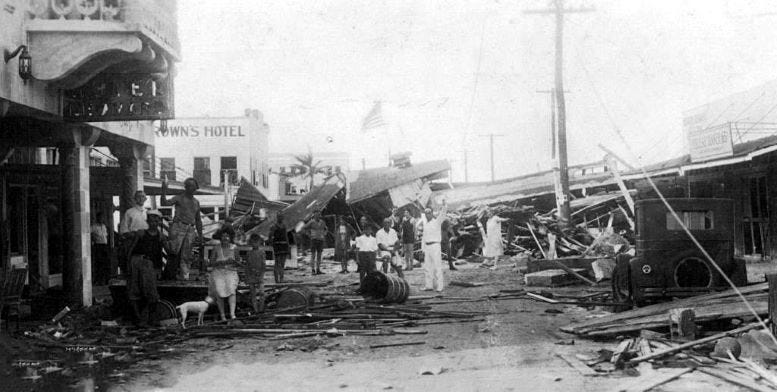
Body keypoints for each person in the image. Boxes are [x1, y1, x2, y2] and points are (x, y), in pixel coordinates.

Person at [124, 210, 168, 328]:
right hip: (136, 261)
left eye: (156, 220)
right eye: (151, 220)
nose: (154, 223)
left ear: (159, 222)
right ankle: (138, 320)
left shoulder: (161, 236)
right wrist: (128, 265)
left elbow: (161, 254)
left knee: (151, 293)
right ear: (147, 221)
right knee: (134, 291)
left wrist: (159, 269)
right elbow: (131, 249)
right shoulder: (141, 233)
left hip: (149, 264)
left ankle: (152, 319)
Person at [160, 177, 203, 281]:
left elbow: (198, 220)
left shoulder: (196, 202)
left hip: (190, 229)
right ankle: (169, 276)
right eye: (189, 185)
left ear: (196, 188)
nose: (191, 188)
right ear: (186, 187)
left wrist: (200, 235)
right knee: (173, 251)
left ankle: (185, 277)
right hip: (178, 226)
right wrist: (164, 190)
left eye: (193, 186)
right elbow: (164, 203)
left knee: (186, 255)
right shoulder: (179, 198)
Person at [208, 226, 239, 322]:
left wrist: (233, 261)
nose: (225, 238)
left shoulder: (234, 247)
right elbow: (211, 263)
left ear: (231, 237)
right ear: (220, 237)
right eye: (223, 236)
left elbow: (238, 262)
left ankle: (232, 314)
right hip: (218, 272)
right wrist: (221, 263)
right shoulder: (216, 248)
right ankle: (222, 316)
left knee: (231, 290)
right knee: (219, 291)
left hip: (230, 272)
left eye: (227, 236)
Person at [418, 200, 448, 292]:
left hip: (435, 246)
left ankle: (440, 286)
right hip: (427, 247)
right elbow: (424, 236)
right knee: (427, 267)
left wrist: (444, 205)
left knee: (437, 266)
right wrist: (423, 248)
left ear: (432, 213)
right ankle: (429, 285)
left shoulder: (437, 221)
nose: (427, 214)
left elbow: (443, 214)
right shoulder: (425, 223)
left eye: (429, 213)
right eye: (426, 213)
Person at [118, 190, 148, 276]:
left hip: (146, 242)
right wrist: (135, 234)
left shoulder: (148, 213)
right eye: (138, 196)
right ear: (135, 199)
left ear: (145, 199)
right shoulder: (129, 212)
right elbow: (123, 231)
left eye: (142, 196)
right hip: (133, 242)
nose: (141, 198)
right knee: (133, 268)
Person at [246, 233, 266, 313]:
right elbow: (247, 265)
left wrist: (261, 274)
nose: (255, 244)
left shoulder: (262, 252)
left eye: (256, 242)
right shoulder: (249, 253)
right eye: (253, 242)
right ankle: (256, 310)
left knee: (262, 293)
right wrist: (247, 276)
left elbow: (264, 265)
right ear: (250, 243)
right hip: (251, 275)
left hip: (260, 275)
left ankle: (261, 309)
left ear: (259, 242)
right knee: (253, 294)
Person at [303, 211, 327, 275]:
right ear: (314, 215)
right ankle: (313, 270)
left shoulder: (322, 222)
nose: (318, 216)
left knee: (319, 255)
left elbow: (326, 229)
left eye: (319, 215)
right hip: (314, 240)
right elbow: (305, 228)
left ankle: (318, 269)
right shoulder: (311, 222)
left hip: (320, 240)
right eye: (317, 215)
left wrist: (324, 234)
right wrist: (309, 235)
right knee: (313, 255)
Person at [355, 225, 378, 292]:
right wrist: (357, 259)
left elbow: (375, 250)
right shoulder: (360, 238)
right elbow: (357, 249)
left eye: (369, 230)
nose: (368, 231)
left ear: (371, 231)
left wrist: (375, 259)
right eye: (366, 230)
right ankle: (362, 287)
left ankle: (370, 287)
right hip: (363, 255)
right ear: (364, 231)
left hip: (371, 255)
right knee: (362, 272)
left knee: (370, 272)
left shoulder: (373, 239)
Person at [90, 212, 110, 285]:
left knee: (106, 263)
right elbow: (88, 233)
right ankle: (98, 280)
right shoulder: (94, 226)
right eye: (100, 217)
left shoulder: (104, 226)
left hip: (104, 246)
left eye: (103, 217)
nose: (102, 219)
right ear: (97, 218)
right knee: (99, 263)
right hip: (98, 246)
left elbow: (106, 236)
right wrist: (92, 240)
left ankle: (105, 280)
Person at [270, 215, 290, 283]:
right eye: (279, 217)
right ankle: (276, 280)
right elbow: (270, 236)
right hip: (277, 245)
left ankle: (281, 279)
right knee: (277, 262)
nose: (280, 218)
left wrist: (288, 245)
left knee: (282, 263)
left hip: (284, 245)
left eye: (281, 217)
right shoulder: (273, 226)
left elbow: (286, 236)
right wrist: (272, 244)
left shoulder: (284, 226)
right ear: (277, 218)